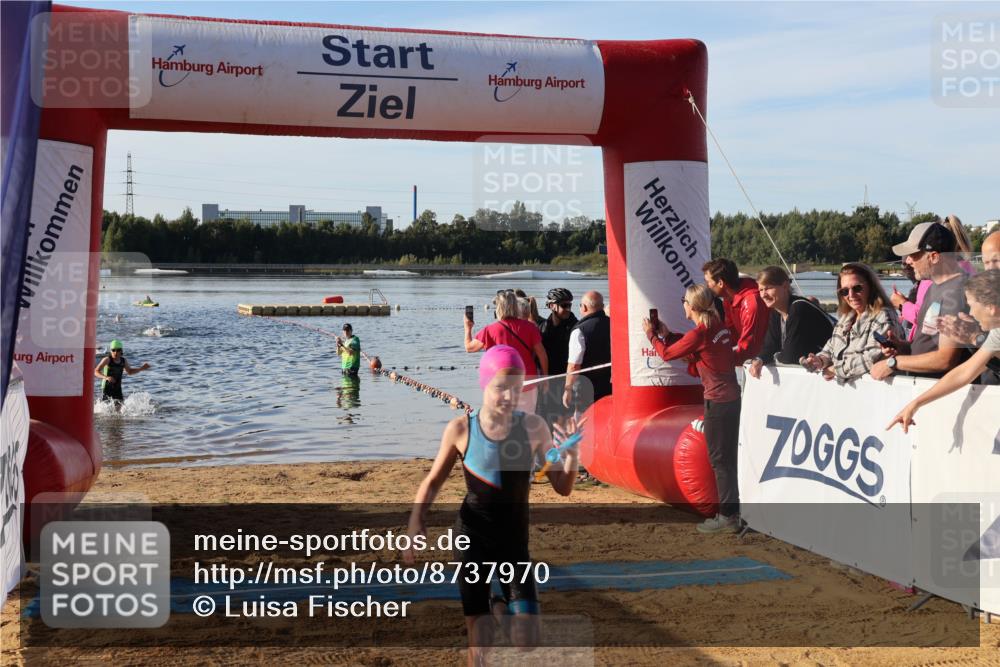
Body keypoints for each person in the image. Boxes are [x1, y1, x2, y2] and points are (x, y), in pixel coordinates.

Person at [404, 346, 580, 666]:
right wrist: (417, 519)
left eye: (516, 388)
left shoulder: (534, 427)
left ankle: (496, 604)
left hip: (514, 542)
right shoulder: (461, 429)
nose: (509, 396)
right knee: (480, 642)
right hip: (472, 537)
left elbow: (563, 488)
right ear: (484, 383)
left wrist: (571, 455)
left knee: (527, 640)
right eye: (500, 387)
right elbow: (432, 482)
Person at [643, 284, 741, 534]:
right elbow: (692, 346)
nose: (683, 304)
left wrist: (652, 336)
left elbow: (666, 354)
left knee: (720, 461)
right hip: (730, 399)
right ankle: (733, 512)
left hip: (717, 401)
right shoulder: (718, 328)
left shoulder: (701, 333)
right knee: (728, 459)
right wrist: (668, 334)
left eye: (684, 301)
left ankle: (728, 516)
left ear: (693, 306)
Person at [887, 271, 1000, 432]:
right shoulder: (996, 334)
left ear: (991, 308)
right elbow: (964, 372)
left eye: (972, 306)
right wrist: (915, 404)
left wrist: (975, 339)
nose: (972, 313)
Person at [870, 221, 969, 381]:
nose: (908, 261)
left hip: (942, 394)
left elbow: (946, 359)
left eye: (914, 255)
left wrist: (893, 362)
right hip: (923, 386)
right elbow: (928, 344)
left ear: (934, 257)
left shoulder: (956, 292)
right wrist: (902, 346)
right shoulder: (934, 287)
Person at [800, 263, 903, 383]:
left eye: (857, 288)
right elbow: (830, 349)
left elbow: (872, 358)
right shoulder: (845, 319)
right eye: (844, 291)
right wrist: (819, 360)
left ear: (871, 287)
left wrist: (835, 370)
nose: (851, 295)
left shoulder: (884, 316)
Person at [465, 290, 548, 414]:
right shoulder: (530, 327)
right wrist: (545, 378)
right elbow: (542, 355)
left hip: (500, 386)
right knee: (526, 420)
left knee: (502, 423)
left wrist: (468, 328)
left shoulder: (490, 330)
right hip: (527, 382)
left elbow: (469, 348)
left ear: (499, 308)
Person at [749, 266, 833, 378]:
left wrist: (775, 357)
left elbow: (790, 355)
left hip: (828, 368)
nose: (764, 294)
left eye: (768, 288)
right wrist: (759, 360)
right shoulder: (776, 312)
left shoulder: (799, 308)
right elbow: (770, 346)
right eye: (761, 290)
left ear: (785, 286)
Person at [702, 258, 769, 364]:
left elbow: (749, 347)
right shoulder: (728, 299)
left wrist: (715, 362)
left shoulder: (751, 302)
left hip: (765, 364)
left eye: (708, 282)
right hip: (754, 362)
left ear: (720, 283)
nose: (707, 286)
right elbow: (730, 336)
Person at [564, 291, 611, 410]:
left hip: (585, 388)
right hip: (610, 386)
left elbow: (574, 365)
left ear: (584, 307)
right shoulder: (614, 325)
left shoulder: (580, 331)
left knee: (584, 423)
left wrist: (568, 388)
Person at [538, 288, 578, 425]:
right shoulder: (542, 328)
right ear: (551, 306)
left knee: (567, 421)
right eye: (564, 305)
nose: (568, 309)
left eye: (570, 305)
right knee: (546, 420)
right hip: (548, 382)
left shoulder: (575, 327)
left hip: (568, 382)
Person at [93, 339, 150, 406]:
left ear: (121, 351)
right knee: (106, 407)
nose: (115, 352)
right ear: (110, 351)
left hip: (117, 387)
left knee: (120, 408)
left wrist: (141, 369)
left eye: (118, 350)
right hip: (107, 387)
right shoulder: (107, 360)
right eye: (113, 350)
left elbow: (129, 371)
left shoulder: (123, 361)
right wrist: (106, 377)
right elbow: (96, 371)